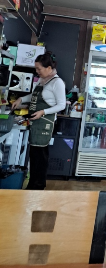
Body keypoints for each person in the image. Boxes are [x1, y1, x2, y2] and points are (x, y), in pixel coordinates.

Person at [11, 51, 66, 189]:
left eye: (39, 69)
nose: (37, 71)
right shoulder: (43, 81)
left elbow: (62, 105)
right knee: (34, 155)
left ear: (49, 68)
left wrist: (43, 112)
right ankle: (33, 184)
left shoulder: (57, 82)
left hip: (45, 123)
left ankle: (38, 186)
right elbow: (33, 96)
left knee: (40, 157)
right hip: (36, 121)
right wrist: (21, 99)